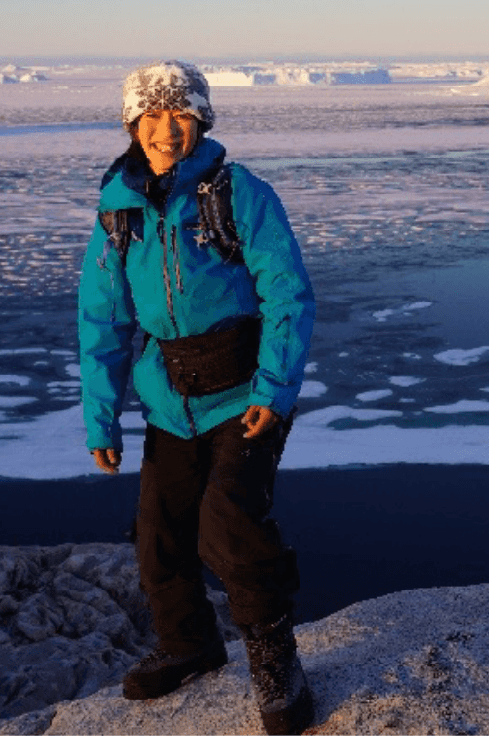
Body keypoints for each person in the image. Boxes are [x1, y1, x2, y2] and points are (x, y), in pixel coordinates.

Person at [77, 60, 316, 735]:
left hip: (245, 395)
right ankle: (188, 643)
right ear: (131, 124)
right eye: (150, 117)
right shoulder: (117, 207)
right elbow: (102, 316)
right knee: (159, 533)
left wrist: (274, 387)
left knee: (230, 525)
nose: (165, 130)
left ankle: (275, 662)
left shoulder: (239, 194)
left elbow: (287, 294)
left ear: (201, 119)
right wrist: (102, 415)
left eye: (179, 115)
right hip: (167, 399)